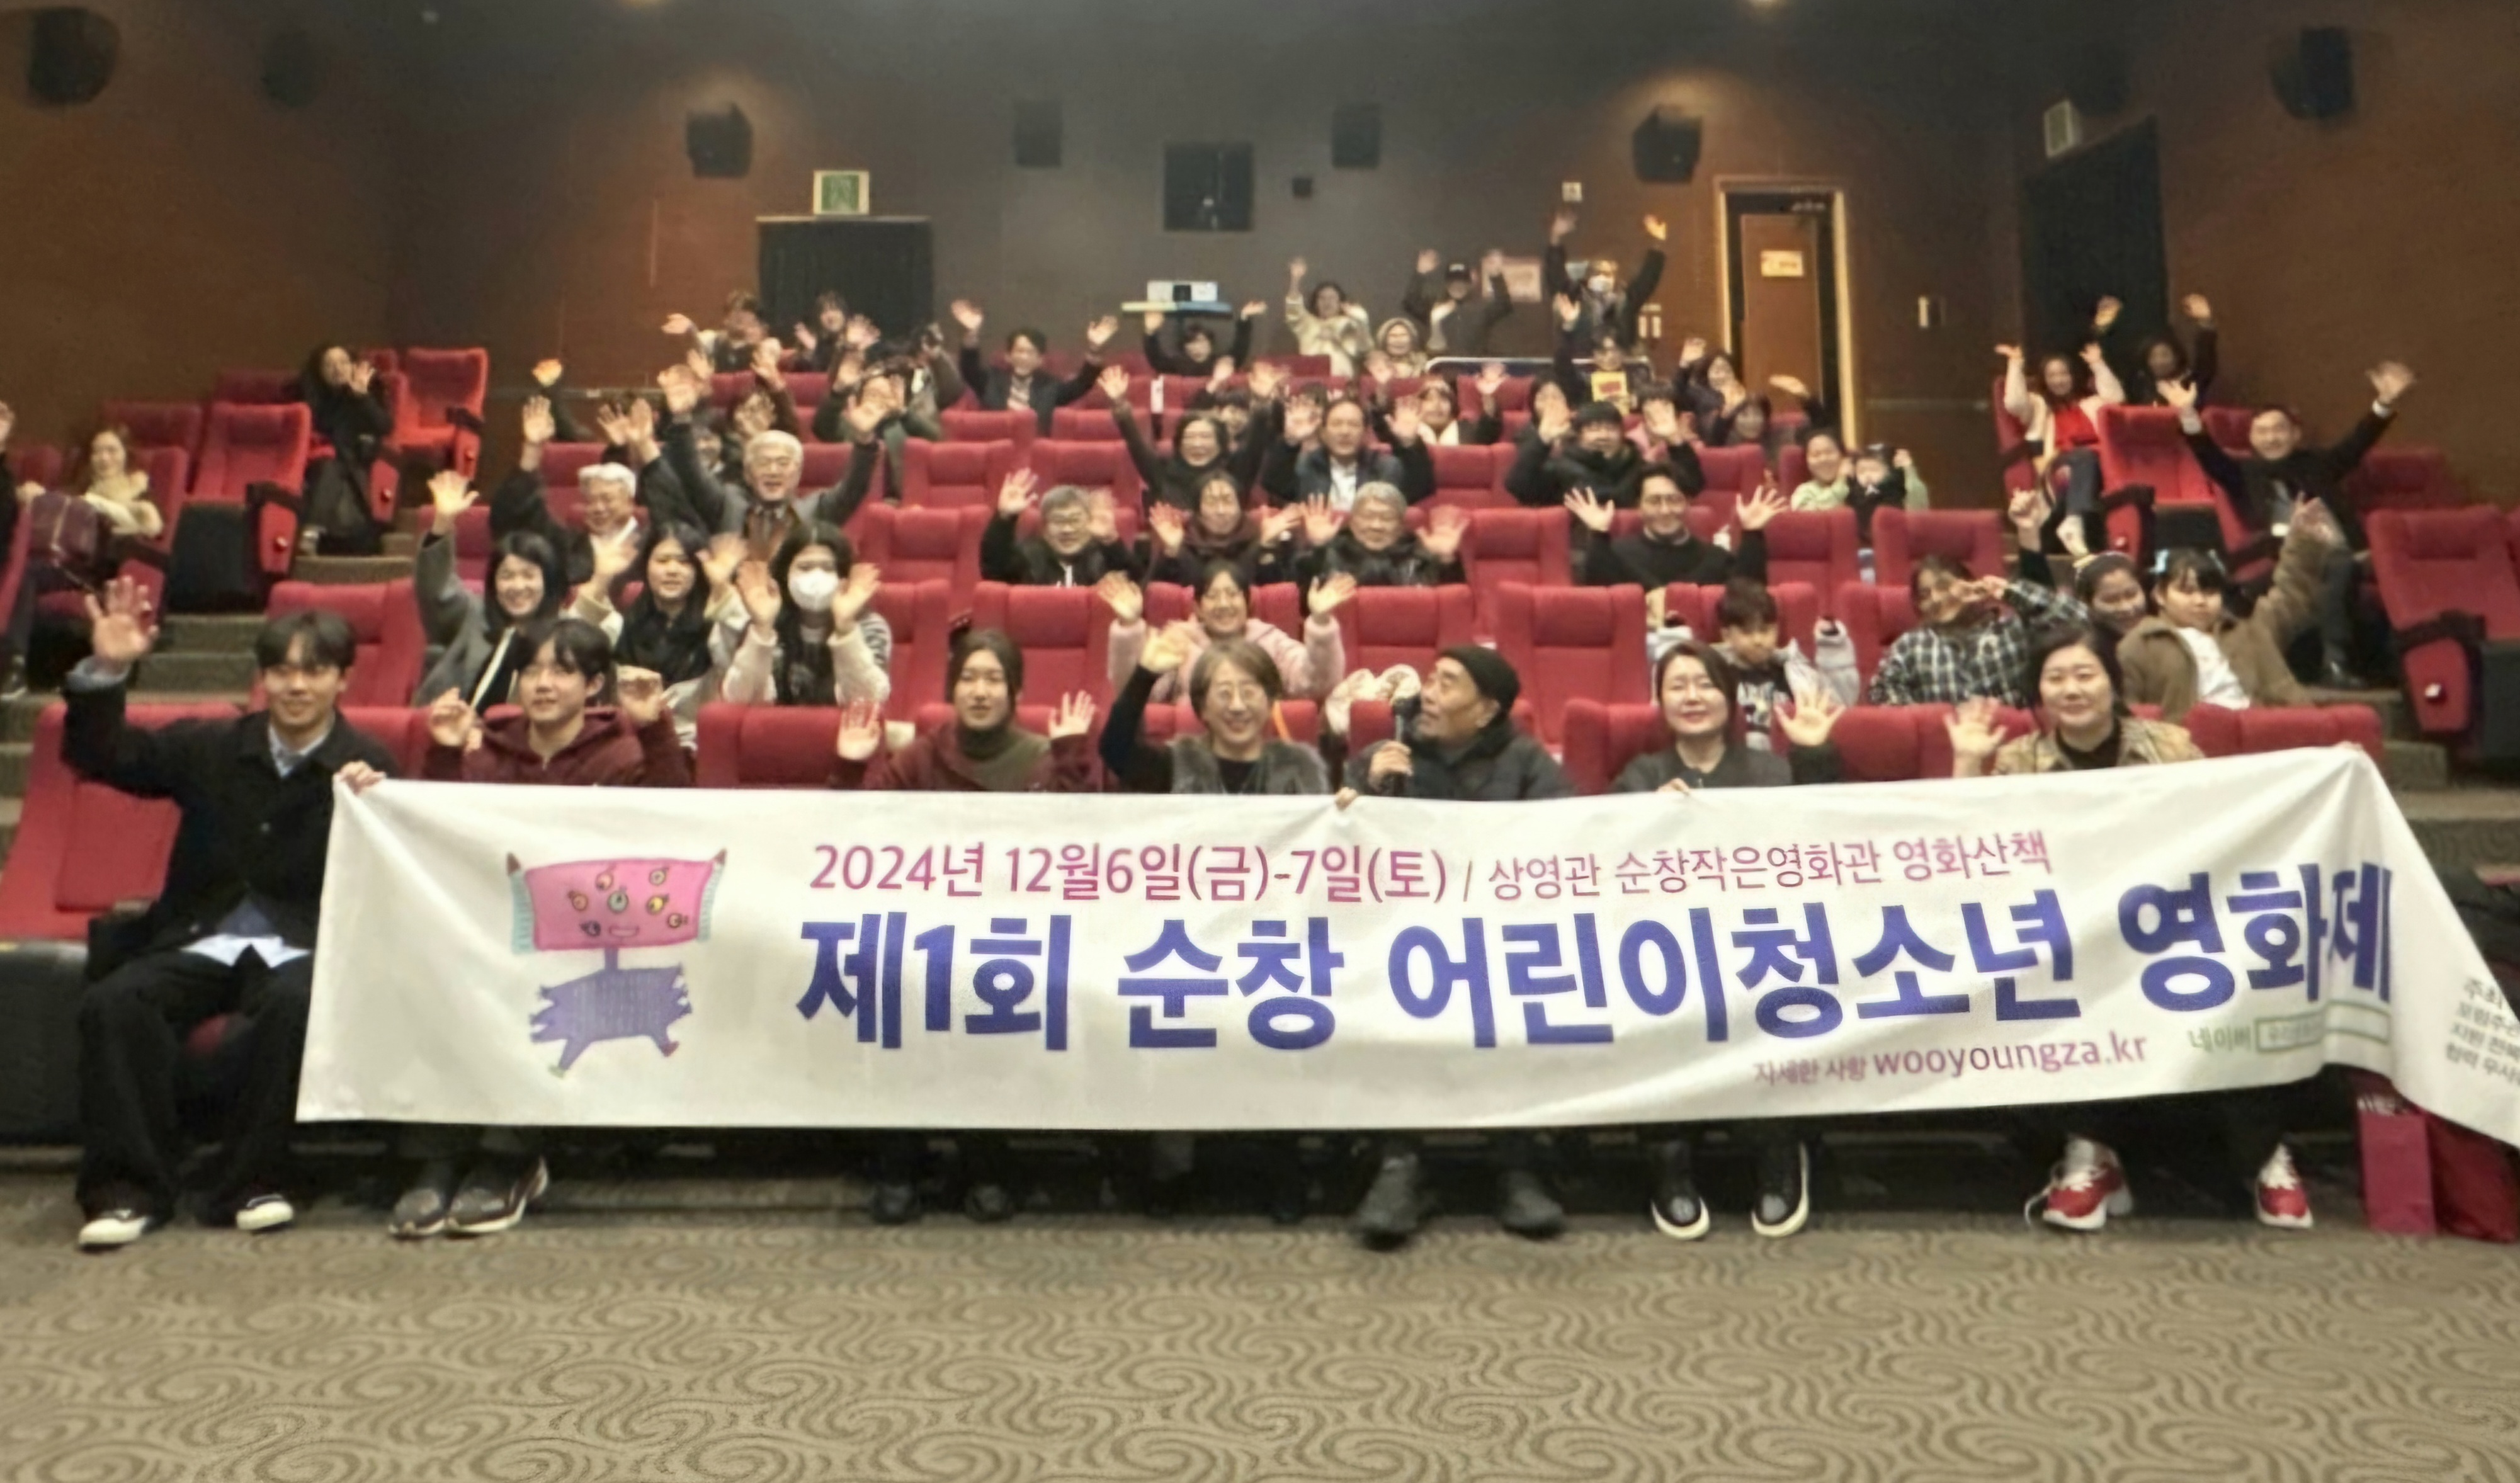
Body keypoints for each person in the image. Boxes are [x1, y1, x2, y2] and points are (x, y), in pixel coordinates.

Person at [66, 581, 399, 1249]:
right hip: (203, 934)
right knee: (115, 1002)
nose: (295, 686)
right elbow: (105, 756)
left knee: (294, 1005)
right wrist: (106, 671)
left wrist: (382, 807)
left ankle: (257, 1180)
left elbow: (396, 876)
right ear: (262, 678)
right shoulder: (212, 745)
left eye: (314, 671)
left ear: (343, 679)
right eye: (281, 670)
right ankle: (129, 1190)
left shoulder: (368, 766)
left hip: (301, 943)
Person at [1946, 627, 2313, 1232]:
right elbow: (1968, 846)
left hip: (2174, 930)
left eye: (2085, 674)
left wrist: (2324, 772)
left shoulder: (2170, 746)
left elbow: (2232, 820)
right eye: (2056, 678)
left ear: (2113, 683)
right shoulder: (2020, 760)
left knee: (2246, 979)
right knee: (2046, 994)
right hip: (2073, 937)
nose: (2072, 689)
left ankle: (2265, 1155)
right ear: (2037, 691)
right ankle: (2090, 1152)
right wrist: (1965, 761)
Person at [380, 619, 690, 1239]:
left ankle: (507, 1158)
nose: (543, 684)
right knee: (433, 972)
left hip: (589, 934)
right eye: (532, 671)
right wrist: (443, 754)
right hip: (487, 923)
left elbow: (679, 822)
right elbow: (435, 837)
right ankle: (438, 1159)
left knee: (537, 980)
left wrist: (656, 728)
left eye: (562, 672)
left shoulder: (621, 754)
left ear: (594, 685)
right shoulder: (487, 752)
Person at [831, 634, 1099, 1224]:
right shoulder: (923, 756)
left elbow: (1079, 841)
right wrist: (849, 766)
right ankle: (900, 1161)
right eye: (969, 678)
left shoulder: (1041, 755)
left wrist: (1072, 757)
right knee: (896, 998)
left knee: (986, 1006)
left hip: (1008, 932)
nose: (980, 691)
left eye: (993, 679)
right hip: (925, 930)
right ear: (952, 690)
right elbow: (858, 830)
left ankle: (986, 1160)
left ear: (1015, 691)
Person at [1339, 647, 1572, 1247]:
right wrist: (1364, 790)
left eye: (1447, 684)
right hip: (1400, 936)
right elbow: (1337, 851)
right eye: (1431, 680)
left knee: (1516, 995)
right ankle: (1400, 1160)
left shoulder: (1527, 763)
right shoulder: (1388, 755)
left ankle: (1517, 1161)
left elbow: (1562, 846)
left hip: (1500, 935)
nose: (1429, 693)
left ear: (1486, 709)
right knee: (1389, 995)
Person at [1615, 639, 1844, 1238]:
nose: (1693, 697)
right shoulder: (1641, 776)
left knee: (1777, 998)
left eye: (1706, 684)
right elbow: (1604, 868)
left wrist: (1814, 755)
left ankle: (1779, 1148)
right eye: (1678, 686)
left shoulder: (1770, 772)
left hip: (1759, 942)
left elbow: (1827, 841)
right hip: (1668, 948)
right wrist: (1641, 821)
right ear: (1660, 702)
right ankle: (1668, 1157)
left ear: (1731, 697)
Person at [2164, 364, 2415, 688]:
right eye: (2263, 432)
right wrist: (2187, 412)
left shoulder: (2318, 465)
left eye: (2279, 430)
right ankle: (2334, 662)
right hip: (2281, 557)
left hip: (2342, 549)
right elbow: (2208, 454)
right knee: (2337, 565)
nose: (2272, 438)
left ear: (2296, 435)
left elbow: (2357, 443)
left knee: (2345, 562)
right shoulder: (2243, 473)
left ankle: (2348, 663)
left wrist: (2384, 403)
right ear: (2251, 439)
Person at [2118, 503, 2342, 722]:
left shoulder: (2248, 632)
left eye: (2209, 592)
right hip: (2188, 739)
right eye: (2187, 591)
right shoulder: (2138, 645)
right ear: (2160, 595)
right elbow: (2131, 718)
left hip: (2259, 731)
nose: (2200, 601)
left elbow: (2291, 594)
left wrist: (2304, 541)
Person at [5, 427, 164, 697]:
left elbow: (152, 529)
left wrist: (98, 505)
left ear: (126, 455)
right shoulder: (78, 492)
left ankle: (14, 664)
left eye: (112, 450)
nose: (104, 458)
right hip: (52, 561)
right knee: (16, 569)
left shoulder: (138, 497)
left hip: (87, 571)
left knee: (27, 573)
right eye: (97, 452)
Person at [570, 521, 746, 747]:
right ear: (646, 567)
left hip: (691, 746)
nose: (672, 570)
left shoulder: (716, 630)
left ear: (698, 570)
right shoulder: (622, 626)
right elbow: (571, 641)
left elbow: (743, 658)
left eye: (684, 562)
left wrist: (722, 588)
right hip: (626, 744)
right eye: (662, 561)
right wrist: (600, 580)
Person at [656, 367, 870, 545]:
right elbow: (691, 471)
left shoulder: (815, 509)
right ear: (748, 474)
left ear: (798, 474)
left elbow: (854, 488)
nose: (773, 471)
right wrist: (681, 419)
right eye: (764, 463)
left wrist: (864, 439)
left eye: (783, 463)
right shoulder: (728, 504)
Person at [413, 472, 569, 706]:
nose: (517, 586)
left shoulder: (566, 630)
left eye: (528, 576)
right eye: (507, 576)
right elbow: (436, 592)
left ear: (547, 581)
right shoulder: (474, 615)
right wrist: (443, 523)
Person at [1101, 564, 1350, 703]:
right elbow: (1140, 695)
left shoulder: (1271, 640)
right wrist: (1129, 626)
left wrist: (1321, 623)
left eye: (1232, 595)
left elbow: (1315, 685)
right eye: (1212, 596)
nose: (1223, 604)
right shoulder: (1178, 642)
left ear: (1247, 603)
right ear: (1198, 607)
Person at [1867, 552, 2087, 707]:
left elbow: (2081, 620)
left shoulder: (2012, 629)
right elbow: (1881, 692)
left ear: (1969, 585)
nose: (1935, 599)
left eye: (1944, 586)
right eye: (1924, 595)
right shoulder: (1911, 645)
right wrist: (1929, 723)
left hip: (2016, 743)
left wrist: (2006, 591)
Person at [719, 521, 890, 707]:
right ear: (786, 574)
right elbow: (740, 699)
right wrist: (762, 629)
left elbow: (867, 700)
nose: (816, 577)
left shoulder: (869, 626)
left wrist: (845, 628)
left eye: (828, 568)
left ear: (843, 577)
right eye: (805, 567)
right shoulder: (765, 624)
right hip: (777, 725)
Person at [496, 396, 643, 588]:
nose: (598, 508)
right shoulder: (570, 545)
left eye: (607, 500)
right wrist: (532, 450)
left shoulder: (651, 543)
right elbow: (519, 516)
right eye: (591, 501)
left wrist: (623, 449)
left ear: (630, 502)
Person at [1701, 580, 1861, 748]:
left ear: (1776, 630)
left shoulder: (1799, 672)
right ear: (1727, 636)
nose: (1758, 640)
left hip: (1794, 755)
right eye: (1747, 632)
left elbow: (1841, 707)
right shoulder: (1713, 676)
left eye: (1765, 630)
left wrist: (1833, 648)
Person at [1568, 470, 1783, 589]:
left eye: (1674, 500)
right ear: (1639, 507)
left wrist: (1753, 533)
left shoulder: (1716, 558)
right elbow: (1599, 596)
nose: (1665, 510)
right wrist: (1598, 533)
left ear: (1688, 504)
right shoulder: (1616, 554)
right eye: (1654, 501)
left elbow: (1748, 598)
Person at [2000, 342, 2125, 548]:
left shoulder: (2091, 404)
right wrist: (2015, 364)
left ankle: (2083, 526)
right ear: (2045, 380)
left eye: (2064, 374)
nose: (2059, 380)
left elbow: (2116, 400)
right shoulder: (2039, 406)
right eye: (2052, 376)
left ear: (2073, 376)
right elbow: (2014, 404)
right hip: (2057, 463)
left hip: (2099, 462)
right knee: (2085, 457)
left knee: (2094, 461)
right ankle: (2073, 521)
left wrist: (2098, 364)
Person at [1101, 366, 1259, 513]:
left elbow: (1257, 443)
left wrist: (1263, 404)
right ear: (1179, 444)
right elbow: (1136, 445)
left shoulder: (1234, 471)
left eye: (1205, 437)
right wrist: (1119, 403)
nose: (1197, 444)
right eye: (1190, 438)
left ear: (1220, 444)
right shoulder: (1162, 472)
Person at [293, 343, 395, 554]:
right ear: (319, 372)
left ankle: (312, 532)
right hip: (320, 466)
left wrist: (362, 397)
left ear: (353, 366)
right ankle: (315, 534)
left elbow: (384, 427)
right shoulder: (314, 400)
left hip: (357, 465)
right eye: (329, 365)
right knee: (329, 467)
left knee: (335, 471)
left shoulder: (367, 394)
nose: (338, 369)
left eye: (343, 362)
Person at [950, 301, 1110, 434]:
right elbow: (969, 369)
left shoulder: (1050, 386)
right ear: (1008, 356)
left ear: (1040, 360)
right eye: (1020, 351)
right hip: (996, 446)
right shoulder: (991, 380)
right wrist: (972, 333)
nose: (1024, 357)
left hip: (1035, 450)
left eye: (1030, 352)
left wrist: (1095, 349)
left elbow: (1082, 384)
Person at [1257, 394, 1434, 509]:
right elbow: (1275, 485)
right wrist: (1291, 442)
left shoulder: (1385, 466)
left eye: (1353, 425)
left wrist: (1409, 443)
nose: (1345, 432)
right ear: (1323, 432)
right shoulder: (1306, 464)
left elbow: (1418, 490)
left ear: (1365, 433)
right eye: (1337, 424)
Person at [1139, 474, 1300, 588]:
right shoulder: (1183, 538)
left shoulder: (1260, 534)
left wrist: (1265, 546)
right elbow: (1156, 596)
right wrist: (1175, 550)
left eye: (1228, 501)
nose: (1221, 511)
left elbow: (1280, 597)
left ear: (1241, 506)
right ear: (1198, 511)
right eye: (1211, 502)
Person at [1293, 483, 1467, 588]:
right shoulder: (1332, 549)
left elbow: (1454, 610)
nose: (1376, 526)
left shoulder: (1420, 554)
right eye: (1367, 516)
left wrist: (1446, 561)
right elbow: (1303, 605)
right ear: (1352, 522)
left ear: (1400, 526)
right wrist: (1317, 549)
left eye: (1387, 518)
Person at [981, 473, 1140, 588]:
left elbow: (1134, 585)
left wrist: (1111, 541)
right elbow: (995, 572)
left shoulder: (1103, 555)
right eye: (1058, 521)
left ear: (1089, 522)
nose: (1067, 529)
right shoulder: (1030, 555)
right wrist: (1005, 518)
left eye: (1075, 520)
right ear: (1044, 528)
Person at [1545, 208, 1666, 349]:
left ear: (1615, 277)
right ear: (1588, 275)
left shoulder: (1625, 299)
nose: (1602, 276)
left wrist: (1658, 243)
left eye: (1608, 273)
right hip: (1583, 358)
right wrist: (1555, 238)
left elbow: (1648, 278)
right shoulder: (1576, 295)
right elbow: (1555, 276)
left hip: (1619, 358)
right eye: (1597, 271)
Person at [1791, 435, 1930, 552]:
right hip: (1841, 555)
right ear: (1807, 461)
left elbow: (1918, 509)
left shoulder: (1868, 484)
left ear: (1844, 457)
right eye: (1816, 455)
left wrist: (1909, 472)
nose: (1824, 459)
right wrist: (1842, 481)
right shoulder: (1805, 491)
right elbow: (1811, 524)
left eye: (1829, 452)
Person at [2095, 293, 2220, 408]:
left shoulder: (2189, 383)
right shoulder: (2139, 385)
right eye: (2153, 357)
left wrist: (2205, 323)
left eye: (2165, 355)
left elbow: (2206, 362)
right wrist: (2102, 331)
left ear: (2177, 357)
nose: (2159, 361)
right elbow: (2111, 365)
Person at [1399, 249, 1513, 358]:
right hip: (1441, 367)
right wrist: (1420, 275)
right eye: (1453, 282)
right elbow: (1411, 303)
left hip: (1473, 368)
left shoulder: (1481, 309)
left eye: (1463, 282)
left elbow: (1504, 305)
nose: (1458, 286)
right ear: (1446, 284)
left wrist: (1496, 277)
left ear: (1470, 284)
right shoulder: (1435, 307)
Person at [1283, 258, 1371, 376]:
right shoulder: (1306, 324)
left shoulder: (1349, 324)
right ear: (1316, 302)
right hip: (1310, 381)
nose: (1327, 302)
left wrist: (1359, 321)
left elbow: (1363, 347)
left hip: (1341, 381)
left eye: (1332, 298)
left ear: (1341, 302)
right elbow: (1293, 309)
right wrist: (1295, 280)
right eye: (1322, 298)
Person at [1141, 302, 1264, 377]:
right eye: (1191, 344)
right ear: (1185, 348)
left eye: (1201, 342)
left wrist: (1245, 317)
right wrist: (1150, 332)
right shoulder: (1178, 365)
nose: (1197, 348)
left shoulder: (1219, 364)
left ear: (1210, 344)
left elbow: (1239, 351)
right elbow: (1157, 360)